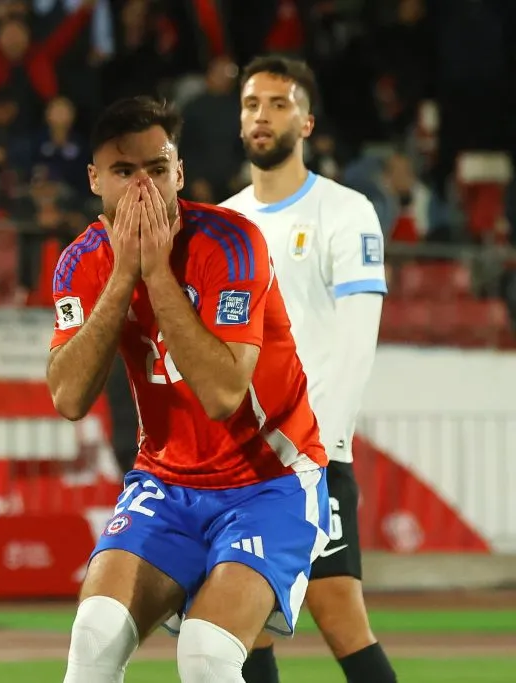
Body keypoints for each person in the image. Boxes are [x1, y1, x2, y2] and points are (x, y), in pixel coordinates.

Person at [48, 95, 330, 683]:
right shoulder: (82, 263)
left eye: (156, 168)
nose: (144, 187)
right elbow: (69, 399)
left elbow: (224, 392)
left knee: (206, 655)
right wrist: (125, 274)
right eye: (125, 172)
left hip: (268, 482)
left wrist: (153, 272)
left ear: (179, 172)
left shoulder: (232, 245)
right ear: (96, 180)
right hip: (166, 482)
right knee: (93, 639)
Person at [220, 56, 397, 683]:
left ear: (307, 120)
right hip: (237, 462)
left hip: (310, 457)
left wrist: (311, 445)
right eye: (250, 104)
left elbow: (356, 342)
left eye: (278, 103)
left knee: (339, 617)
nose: (262, 115)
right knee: (244, 630)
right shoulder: (223, 224)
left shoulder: (345, 213)